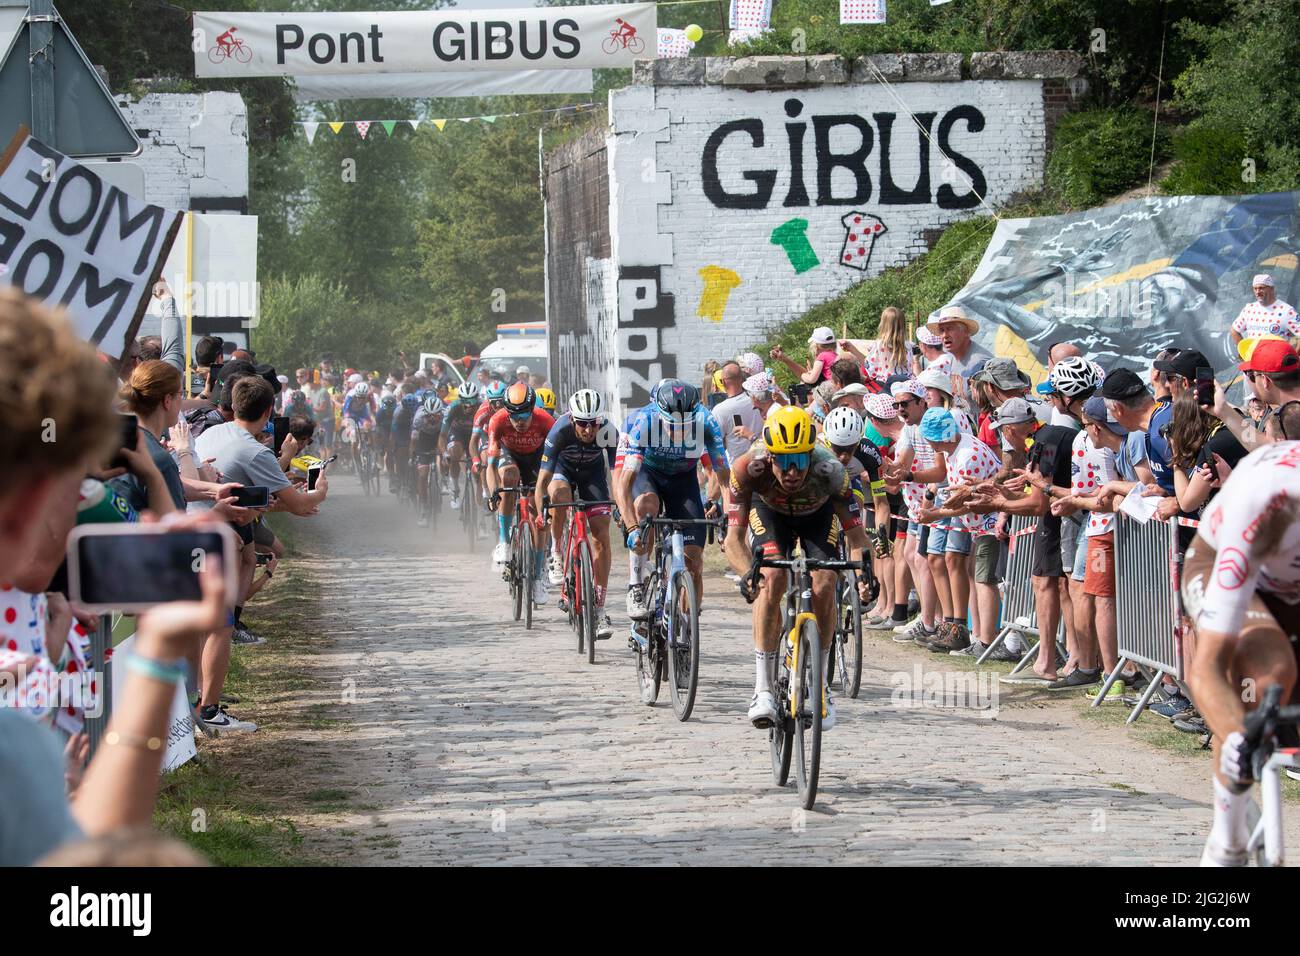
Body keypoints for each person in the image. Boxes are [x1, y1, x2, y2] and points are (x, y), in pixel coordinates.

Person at [1181, 440, 1300, 866]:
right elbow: (1207, 668)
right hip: (1225, 564)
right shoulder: (1268, 504)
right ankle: (1228, 839)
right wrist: (1235, 735)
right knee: (1268, 673)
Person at [725, 405, 868, 730]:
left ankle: (820, 687)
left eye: (800, 461)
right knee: (771, 577)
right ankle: (762, 688)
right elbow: (732, 539)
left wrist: (864, 575)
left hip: (818, 517)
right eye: (785, 462)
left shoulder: (831, 470)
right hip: (770, 513)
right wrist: (749, 572)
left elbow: (857, 539)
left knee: (824, 583)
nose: (792, 472)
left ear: (810, 455)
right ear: (770, 457)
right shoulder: (748, 467)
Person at [618, 379, 729, 621]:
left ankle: (688, 629)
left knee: (694, 560)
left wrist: (729, 518)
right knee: (646, 505)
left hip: (683, 479)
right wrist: (632, 528)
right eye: (672, 425)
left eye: (685, 425)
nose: (679, 431)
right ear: (659, 414)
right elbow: (624, 484)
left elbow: (724, 477)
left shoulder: (706, 421)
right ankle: (636, 585)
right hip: (648, 475)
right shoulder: (643, 421)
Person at [911, 408, 1003, 655]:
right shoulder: (954, 448)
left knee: (984, 579)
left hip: (990, 521)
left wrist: (934, 514)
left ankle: (986, 642)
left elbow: (964, 506)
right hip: (980, 522)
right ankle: (974, 635)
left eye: (930, 438)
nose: (928, 444)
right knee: (977, 575)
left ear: (940, 437)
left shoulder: (966, 457)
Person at [537, 389, 618, 638]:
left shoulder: (609, 432)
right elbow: (543, 480)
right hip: (563, 470)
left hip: (592, 474)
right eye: (582, 424)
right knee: (560, 497)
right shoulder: (559, 430)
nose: (587, 430)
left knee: (601, 535)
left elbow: (617, 475)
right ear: (573, 420)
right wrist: (541, 511)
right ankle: (557, 552)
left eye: (592, 423)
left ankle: (600, 608)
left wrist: (620, 508)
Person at [486, 383, 556, 606]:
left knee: (540, 520)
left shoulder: (545, 420)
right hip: (511, 456)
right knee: (508, 480)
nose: (520, 421)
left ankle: (537, 577)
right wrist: (493, 492)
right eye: (514, 415)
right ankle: (504, 542)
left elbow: (557, 458)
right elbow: (490, 465)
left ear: (532, 409)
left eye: (525, 414)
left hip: (537, 459)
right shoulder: (497, 420)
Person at [927, 305, 992, 389]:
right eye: (942, 330)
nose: (945, 335)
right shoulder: (953, 357)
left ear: (966, 332)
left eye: (950, 329)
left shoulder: (980, 362)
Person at [841, 306, 911, 385]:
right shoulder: (909, 346)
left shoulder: (880, 345)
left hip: (886, 386)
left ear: (883, 325)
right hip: (907, 384)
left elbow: (871, 369)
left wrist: (853, 349)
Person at [1229, 274, 1299, 351]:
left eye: (1261, 288)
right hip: (1254, 361)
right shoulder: (1249, 309)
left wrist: (1294, 357)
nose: (1257, 292)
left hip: (1277, 361)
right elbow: (1234, 330)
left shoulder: (1286, 310)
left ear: (1271, 289)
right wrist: (1244, 353)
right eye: (1255, 288)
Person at [712, 361, 763, 467]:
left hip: (737, 467)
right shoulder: (757, 400)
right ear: (742, 379)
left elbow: (715, 445)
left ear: (723, 382)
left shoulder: (719, 410)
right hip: (763, 460)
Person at [439, 380, 479, 509]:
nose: (469, 406)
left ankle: (482, 497)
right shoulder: (453, 407)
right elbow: (442, 435)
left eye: (472, 402)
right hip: (457, 433)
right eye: (465, 403)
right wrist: (445, 453)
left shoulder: (482, 406)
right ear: (460, 400)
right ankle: (455, 490)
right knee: (454, 454)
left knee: (478, 469)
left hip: (474, 434)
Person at [411, 394, 445, 528]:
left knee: (444, 457)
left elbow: (446, 437)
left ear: (440, 413)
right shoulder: (419, 418)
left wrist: (444, 453)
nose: (432, 418)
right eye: (429, 415)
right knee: (422, 475)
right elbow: (414, 439)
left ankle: (444, 480)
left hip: (440, 437)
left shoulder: (444, 417)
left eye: (435, 415)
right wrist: (413, 454)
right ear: (425, 413)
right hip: (423, 440)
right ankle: (424, 509)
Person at [770, 327, 840, 386]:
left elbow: (811, 379)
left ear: (816, 346)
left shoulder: (822, 356)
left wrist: (802, 375)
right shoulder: (836, 355)